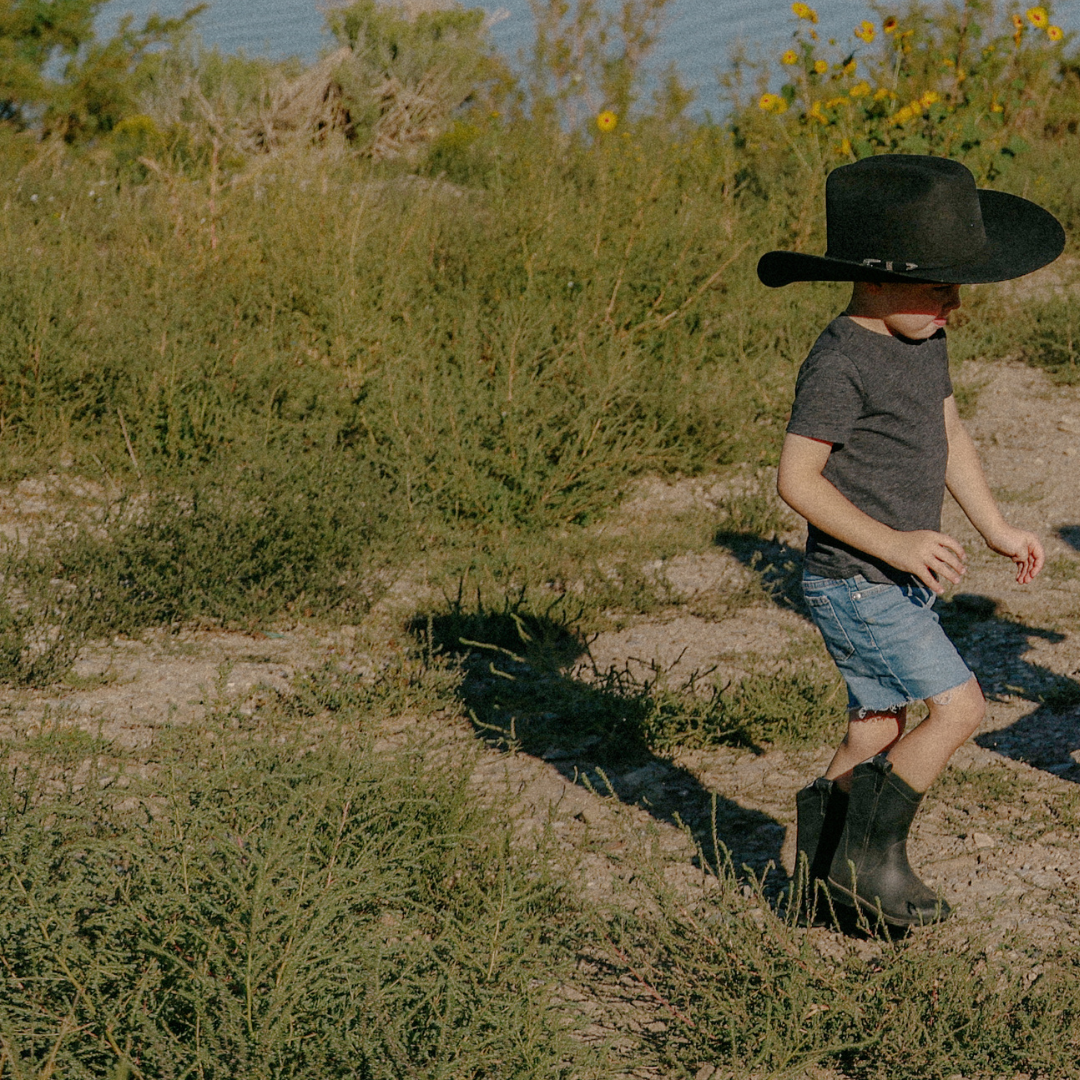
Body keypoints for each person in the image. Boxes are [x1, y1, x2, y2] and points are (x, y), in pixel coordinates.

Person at [757, 154, 1065, 929]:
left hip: (892, 578)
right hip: (855, 579)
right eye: (940, 286)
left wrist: (995, 527)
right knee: (959, 708)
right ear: (876, 279)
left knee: (876, 727)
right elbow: (797, 481)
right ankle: (870, 863)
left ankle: (809, 874)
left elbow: (948, 430)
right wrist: (895, 545)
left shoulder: (923, 339)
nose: (955, 304)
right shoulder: (838, 362)